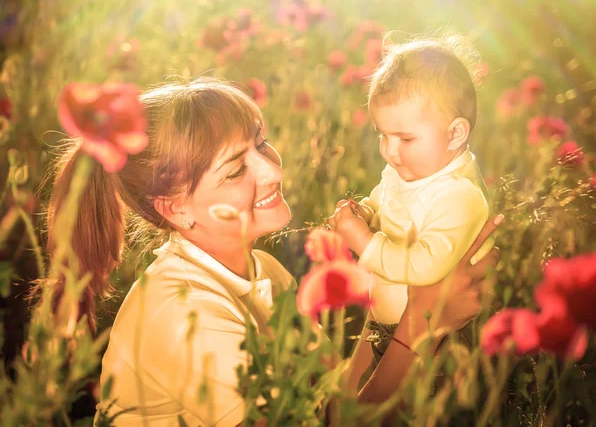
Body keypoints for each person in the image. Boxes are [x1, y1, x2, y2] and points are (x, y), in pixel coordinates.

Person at [45, 77, 501, 426]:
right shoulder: (186, 315)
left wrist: (398, 296)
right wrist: (425, 320)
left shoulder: (263, 270)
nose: (272, 172)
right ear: (177, 209)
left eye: (261, 142)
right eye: (235, 169)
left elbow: (335, 406)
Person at [330, 37, 495, 389]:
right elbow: (386, 200)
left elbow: (427, 265)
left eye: (405, 139)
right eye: (382, 135)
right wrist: (366, 212)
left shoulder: (459, 196)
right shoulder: (409, 171)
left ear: (455, 134)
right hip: (393, 325)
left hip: (438, 339)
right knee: (367, 397)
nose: (389, 151)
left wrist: (365, 242)